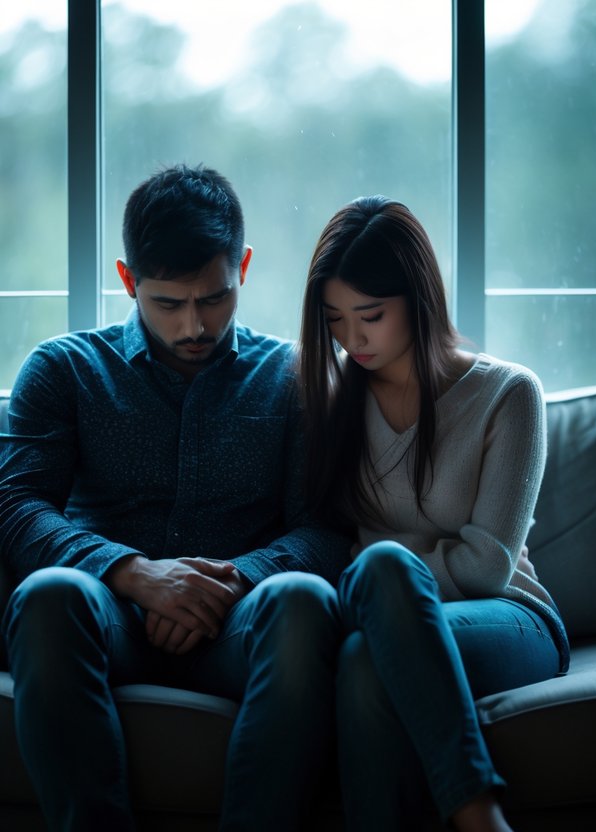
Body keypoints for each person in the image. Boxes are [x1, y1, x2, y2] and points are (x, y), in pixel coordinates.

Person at [0, 164, 350, 831]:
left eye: (214, 298)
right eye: (168, 303)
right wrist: (136, 576)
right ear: (128, 280)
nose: (195, 324)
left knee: (304, 597)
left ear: (242, 266)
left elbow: (328, 528)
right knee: (48, 594)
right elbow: (15, 507)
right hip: (107, 618)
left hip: (242, 623)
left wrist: (228, 582)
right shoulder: (64, 369)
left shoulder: (295, 377)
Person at [297, 196, 569, 832]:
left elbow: (486, 568)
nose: (352, 339)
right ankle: (477, 811)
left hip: (511, 618)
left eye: (370, 315)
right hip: (381, 621)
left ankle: (478, 811)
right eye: (334, 320)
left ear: (419, 299)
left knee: (383, 567)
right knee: (365, 658)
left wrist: (387, 578)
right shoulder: (332, 400)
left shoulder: (509, 394)